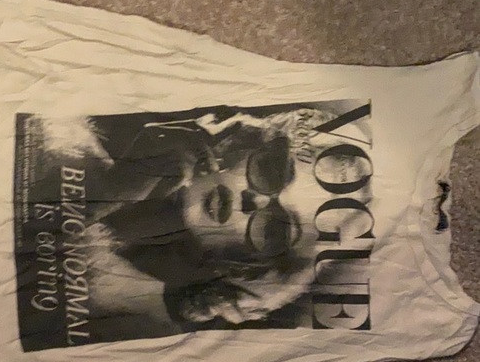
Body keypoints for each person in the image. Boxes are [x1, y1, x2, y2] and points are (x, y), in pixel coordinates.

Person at [39, 103, 372, 338]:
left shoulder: (130, 305)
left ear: (252, 265)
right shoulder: (107, 125)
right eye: (270, 171)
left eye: (275, 228)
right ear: (244, 148)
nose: (251, 200)